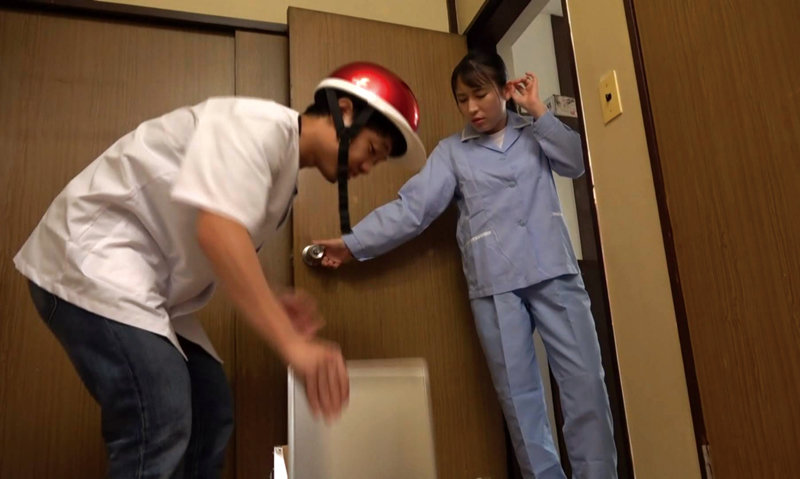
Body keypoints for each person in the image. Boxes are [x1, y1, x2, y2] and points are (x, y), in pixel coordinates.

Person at [13, 62, 425, 477]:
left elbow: (226, 239)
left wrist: (274, 301)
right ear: (345, 112)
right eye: (372, 150)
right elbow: (218, 232)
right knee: (161, 414)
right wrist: (292, 345)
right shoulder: (256, 127)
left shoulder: (283, 170)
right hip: (91, 258)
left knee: (210, 409)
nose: (367, 168)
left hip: (142, 281)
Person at [315, 51, 617, 479]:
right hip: (495, 285)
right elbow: (412, 209)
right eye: (462, 99)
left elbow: (575, 163)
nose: (472, 107)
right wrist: (353, 243)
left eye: (480, 94)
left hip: (554, 270)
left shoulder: (535, 131)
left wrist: (538, 109)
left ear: (504, 90)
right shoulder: (451, 153)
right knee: (520, 401)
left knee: (586, 386)